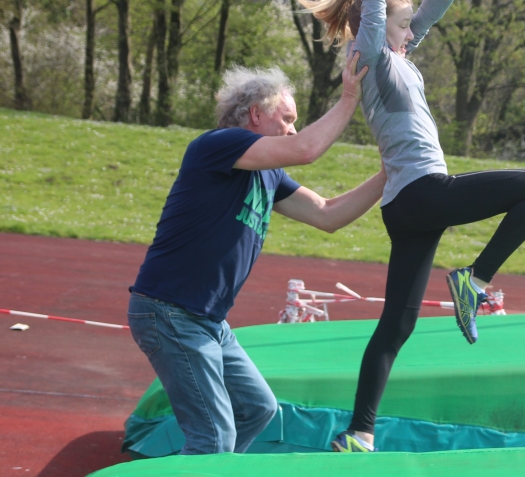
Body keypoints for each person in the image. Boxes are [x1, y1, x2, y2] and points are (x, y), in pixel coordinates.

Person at [300, 0, 525, 453]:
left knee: (398, 324)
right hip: (421, 192)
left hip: (409, 206)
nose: (411, 31)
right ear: (376, 22)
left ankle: (359, 433)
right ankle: (475, 279)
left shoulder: (399, 54)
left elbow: (432, 11)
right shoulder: (373, 50)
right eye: (401, 22)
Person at [127, 60, 386, 455]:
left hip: (207, 320)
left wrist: (391, 170)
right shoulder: (217, 145)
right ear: (255, 114)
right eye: (287, 118)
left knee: (257, 409)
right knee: (213, 437)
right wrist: (350, 95)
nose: (293, 128)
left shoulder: (269, 175)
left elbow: (328, 214)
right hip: (170, 312)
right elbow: (306, 149)